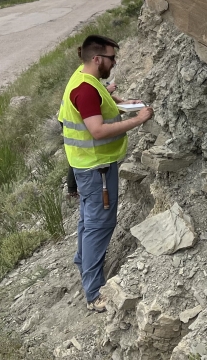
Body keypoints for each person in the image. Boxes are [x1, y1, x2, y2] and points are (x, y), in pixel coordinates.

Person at [57, 34, 153, 312]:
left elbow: (93, 102)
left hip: (86, 166)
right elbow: (97, 130)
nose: (115, 63)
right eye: (112, 58)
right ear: (97, 59)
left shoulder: (82, 77)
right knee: (99, 225)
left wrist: (114, 97)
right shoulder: (85, 91)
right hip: (96, 168)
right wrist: (137, 119)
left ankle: (83, 262)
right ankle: (94, 293)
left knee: (89, 221)